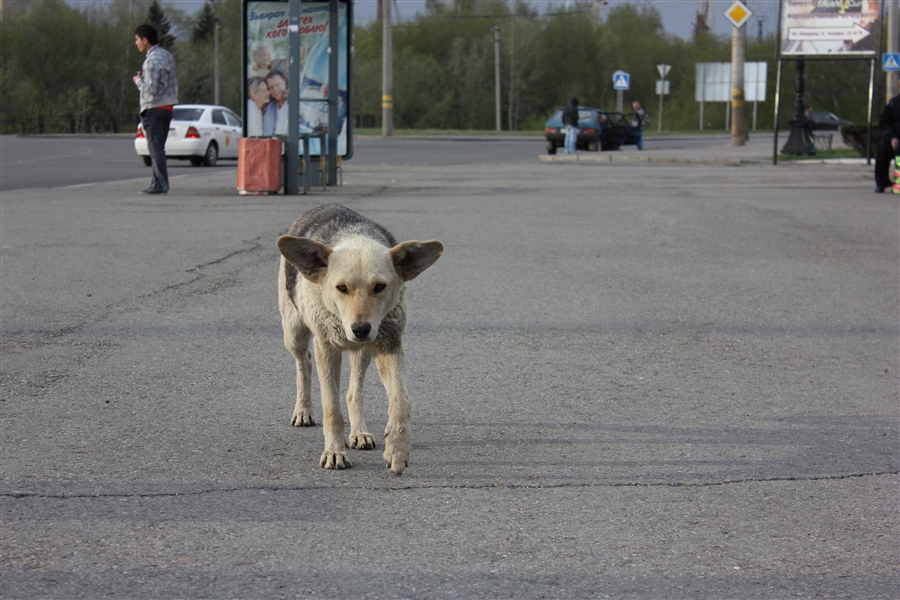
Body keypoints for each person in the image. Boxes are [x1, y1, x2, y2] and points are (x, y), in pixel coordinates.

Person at [133, 24, 178, 195]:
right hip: (167, 107)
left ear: (145, 40)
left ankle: (160, 185)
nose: (136, 43)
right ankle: (157, 182)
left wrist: (138, 81)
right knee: (159, 146)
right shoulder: (166, 55)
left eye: (137, 40)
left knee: (155, 147)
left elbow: (151, 89)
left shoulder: (150, 61)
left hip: (154, 108)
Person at [874, 82, 900, 194]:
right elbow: (884, 121)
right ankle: (882, 183)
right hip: (894, 138)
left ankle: (898, 183)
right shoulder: (893, 103)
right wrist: (891, 137)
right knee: (882, 152)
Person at [266, 71, 289, 136]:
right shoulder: (270, 107)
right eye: (271, 87)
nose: (275, 89)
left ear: (284, 83)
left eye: (277, 85)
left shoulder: (292, 103)